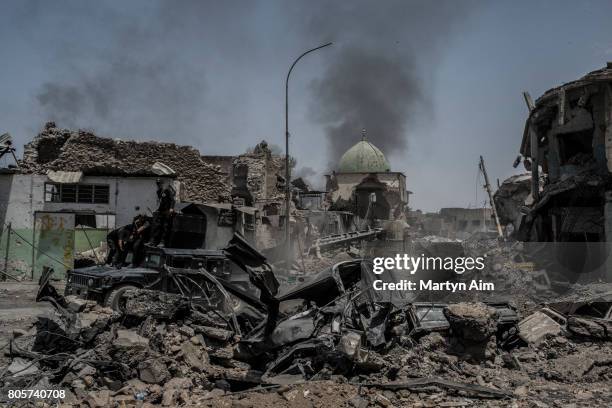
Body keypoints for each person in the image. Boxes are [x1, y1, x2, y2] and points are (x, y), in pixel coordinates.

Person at [149, 179, 176, 247]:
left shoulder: (167, 190)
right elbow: (160, 202)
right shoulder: (158, 192)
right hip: (161, 211)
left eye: (159, 183)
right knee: (157, 226)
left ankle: (162, 242)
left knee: (165, 227)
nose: (158, 185)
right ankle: (154, 241)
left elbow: (172, 200)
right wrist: (157, 209)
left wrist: (171, 208)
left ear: (162, 183)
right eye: (157, 184)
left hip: (167, 211)